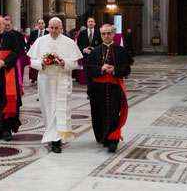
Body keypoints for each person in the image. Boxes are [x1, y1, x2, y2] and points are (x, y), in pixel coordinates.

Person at [28, 17, 82, 153]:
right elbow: (32, 62)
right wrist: (42, 63)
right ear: (47, 28)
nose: (53, 30)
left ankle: (57, 139)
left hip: (62, 80)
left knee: (60, 109)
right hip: (45, 81)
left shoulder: (69, 42)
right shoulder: (40, 41)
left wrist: (64, 63)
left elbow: (75, 64)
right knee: (48, 109)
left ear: (61, 28)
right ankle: (52, 135)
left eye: (56, 28)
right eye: (51, 28)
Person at [85, 24, 132, 153]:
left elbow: (127, 70)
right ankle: (102, 137)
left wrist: (114, 70)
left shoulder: (121, 51)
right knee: (98, 113)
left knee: (113, 113)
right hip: (97, 89)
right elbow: (88, 70)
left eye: (109, 33)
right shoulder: (94, 51)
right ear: (100, 35)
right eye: (103, 34)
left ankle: (113, 140)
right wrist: (101, 69)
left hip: (114, 88)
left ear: (113, 34)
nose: (106, 36)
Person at [77, 17, 102, 94]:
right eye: (89, 22)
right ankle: (89, 91)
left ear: (94, 23)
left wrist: (94, 49)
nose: (90, 23)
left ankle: (96, 91)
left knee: (95, 74)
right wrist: (84, 49)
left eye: (92, 21)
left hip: (96, 57)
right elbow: (78, 45)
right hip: (86, 57)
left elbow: (101, 44)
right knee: (87, 75)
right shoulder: (82, 33)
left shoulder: (99, 33)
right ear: (87, 23)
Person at [4, 16, 27, 92]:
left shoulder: (18, 34)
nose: (7, 27)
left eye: (8, 25)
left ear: (11, 24)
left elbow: (22, 47)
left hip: (15, 59)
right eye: (5, 25)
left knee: (16, 77)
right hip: (4, 60)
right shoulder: (1, 34)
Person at [28, 19, 48, 85]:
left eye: (42, 23)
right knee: (34, 66)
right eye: (39, 23)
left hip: (45, 52)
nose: (41, 25)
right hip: (35, 52)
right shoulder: (33, 33)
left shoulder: (48, 33)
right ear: (37, 25)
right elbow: (29, 42)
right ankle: (34, 78)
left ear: (44, 24)